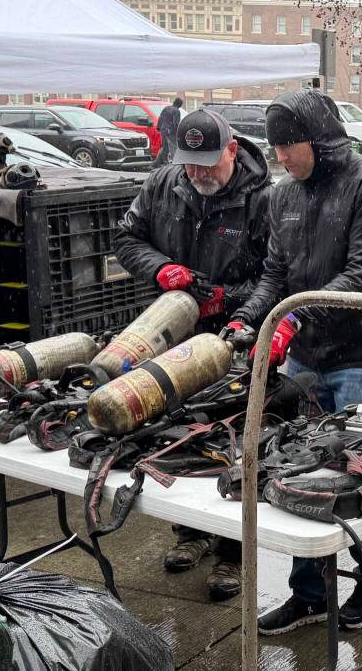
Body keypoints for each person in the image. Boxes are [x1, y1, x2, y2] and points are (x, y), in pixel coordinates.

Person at [228, 89, 362, 635]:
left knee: (356, 477)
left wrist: (294, 318)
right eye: (275, 145)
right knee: (298, 473)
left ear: (321, 140)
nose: (280, 156)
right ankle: (308, 592)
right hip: (308, 357)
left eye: (290, 145)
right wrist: (252, 317)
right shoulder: (283, 196)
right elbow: (275, 274)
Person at [114, 108, 273, 600]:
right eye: (190, 163)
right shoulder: (163, 185)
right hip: (173, 329)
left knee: (232, 440)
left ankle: (232, 553)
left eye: (208, 163)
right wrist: (162, 270)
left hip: (233, 336)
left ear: (232, 149)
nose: (199, 173)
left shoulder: (264, 198)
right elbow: (126, 238)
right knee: (176, 435)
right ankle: (191, 532)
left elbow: (277, 272)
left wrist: (230, 303)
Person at [152, 97, 183, 168]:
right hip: (171, 131)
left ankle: (156, 163)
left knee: (165, 147)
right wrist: (178, 132)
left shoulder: (166, 108)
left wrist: (158, 128)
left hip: (163, 130)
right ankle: (175, 163)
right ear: (180, 105)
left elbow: (160, 118)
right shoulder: (176, 111)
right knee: (174, 146)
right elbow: (176, 123)